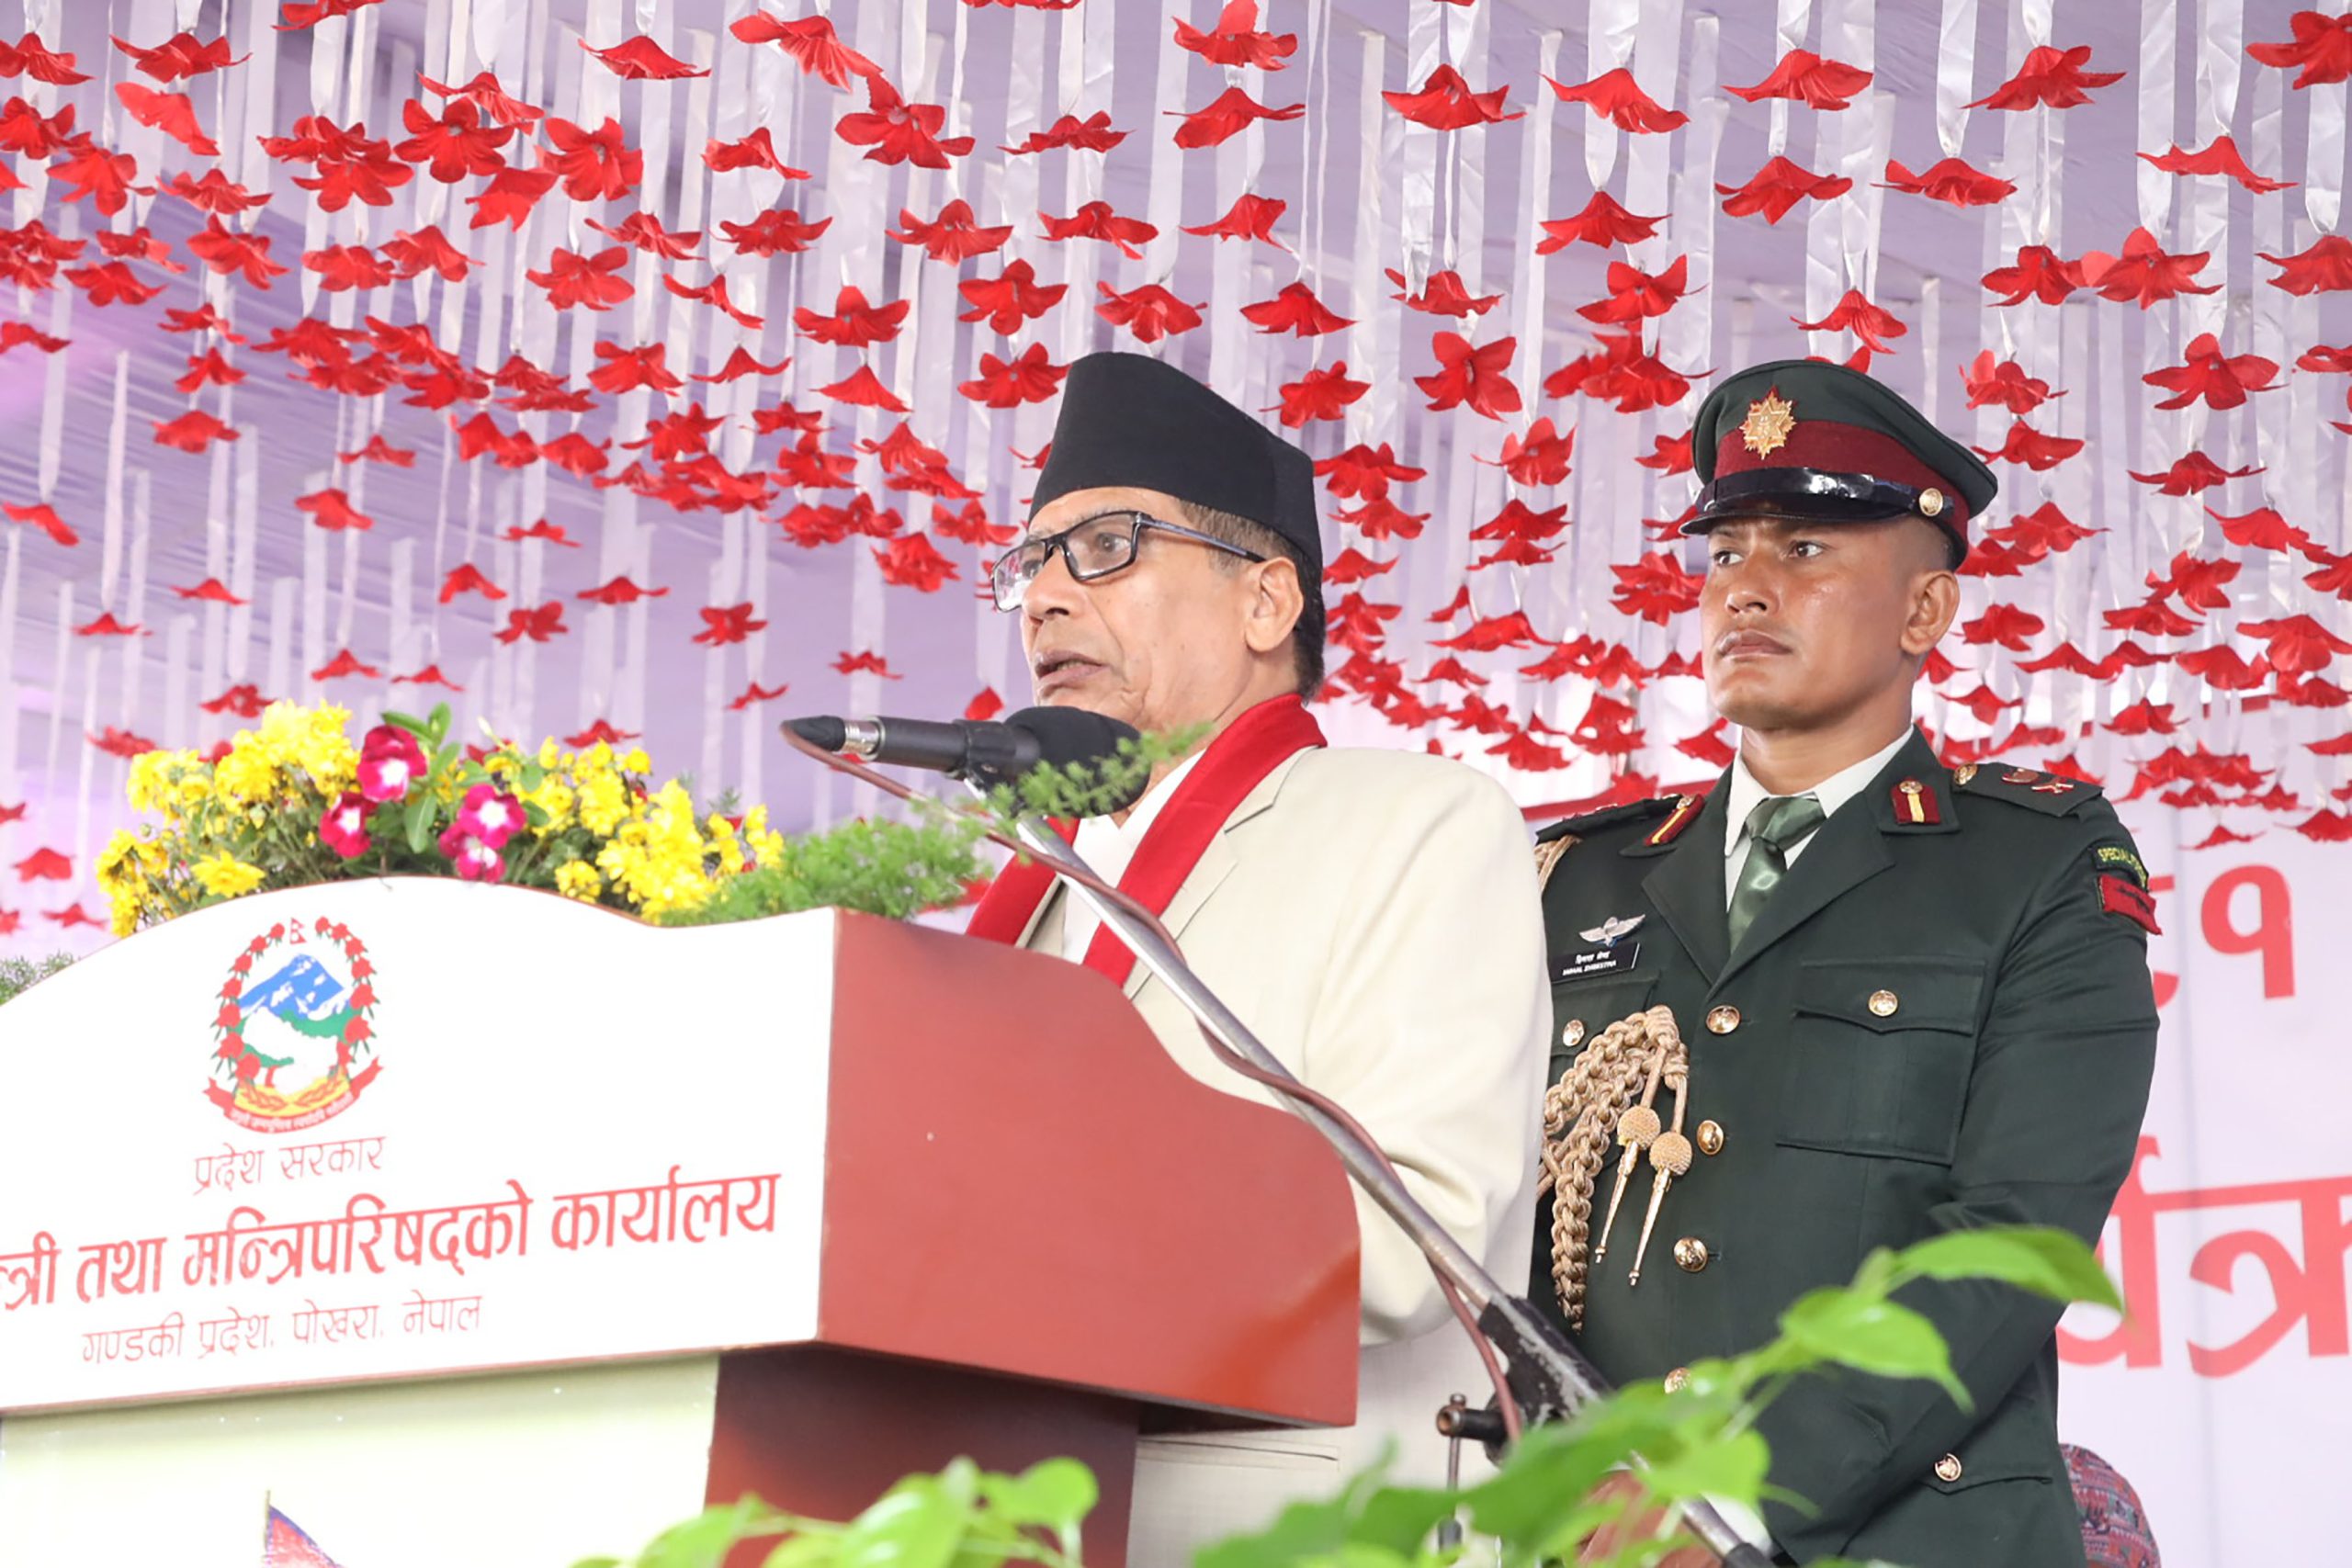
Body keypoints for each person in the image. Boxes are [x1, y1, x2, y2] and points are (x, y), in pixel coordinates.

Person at [1528, 360, 2159, 1566]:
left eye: (1805, 549)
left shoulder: (2036, 866)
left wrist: (1733, 1496)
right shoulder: (1576, 880)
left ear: (1925, 613)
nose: (1746, 587)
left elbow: (2013, 1237)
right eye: (1724, 553)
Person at [964, 351, 1549, 1562]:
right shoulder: (1031, 873)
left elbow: (1408, 1242)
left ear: (1268, 603)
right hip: (1005, 1511)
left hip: (1292, 1527)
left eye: (1108, 546)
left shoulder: (1417, 822)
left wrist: (1019, 1239)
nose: (1046, 597)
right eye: (1031, 561)